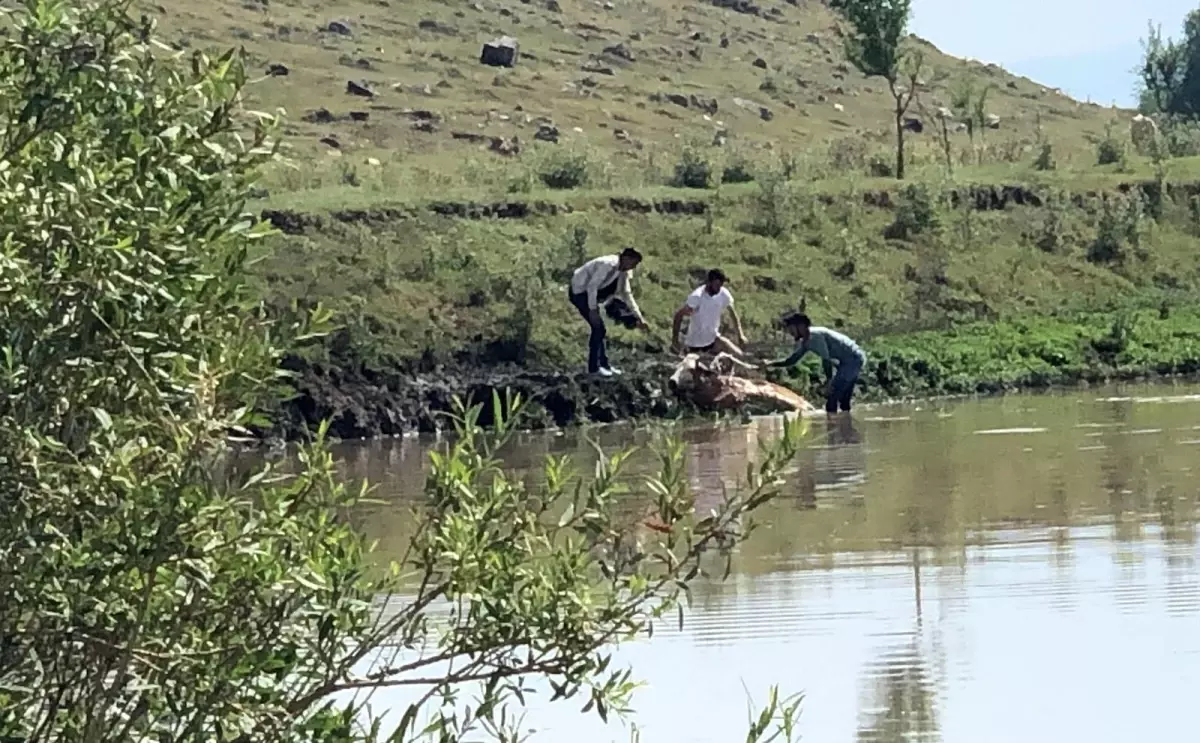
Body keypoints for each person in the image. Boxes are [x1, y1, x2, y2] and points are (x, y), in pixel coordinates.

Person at [761, 312, 866, 416]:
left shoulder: (814, 336)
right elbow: (792, 360)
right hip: (853, 359)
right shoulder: (806, 341)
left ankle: (833, 430)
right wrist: (770, 364)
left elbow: (826, 359)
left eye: (791, 329)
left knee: (832, 401)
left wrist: (829, 381)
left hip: (852, 360)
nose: (789, 333)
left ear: (801, 326)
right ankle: (846, 429)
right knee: (844, 404)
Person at [568, 247, 649, 376]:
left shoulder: (623, 271)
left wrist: (639, 316)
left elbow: (626, 293)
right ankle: (594, 368)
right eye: (633, 263)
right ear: (626, 258)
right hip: (580, 292)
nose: (633, 267)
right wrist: (593, 310)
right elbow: (592, 286)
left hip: (597, 293)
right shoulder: (608, 265)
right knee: (599, 329)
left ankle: (604, 365)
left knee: (604, 323)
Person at [671, 268, 747, 357]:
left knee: (739, 356)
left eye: (721, 284)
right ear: (709, 282)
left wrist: (740, 335)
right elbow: (679, 315)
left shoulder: (723, 294)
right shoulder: (697, 297)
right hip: (695, 345)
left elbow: (732, 313)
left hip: (713, 340)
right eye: (717, 284)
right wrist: (675, 340)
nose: (719, 288)